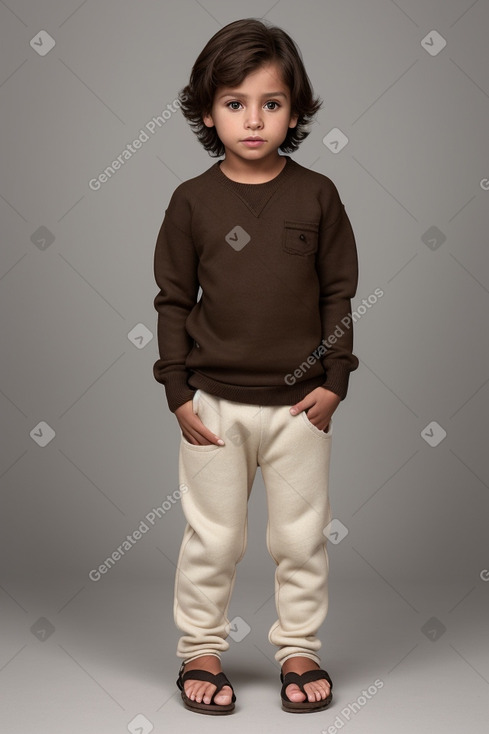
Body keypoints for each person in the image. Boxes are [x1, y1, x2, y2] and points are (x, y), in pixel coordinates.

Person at [153, 17, 359, 715]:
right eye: (234, 103)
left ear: (294, 111)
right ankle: (200, 651)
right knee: (215, 537)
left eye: (270, 103)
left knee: (299, 536)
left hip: (302, 404)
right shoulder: (192, 202)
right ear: (207, 111)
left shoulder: (317, 195)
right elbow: (174, 300)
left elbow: (338, 293)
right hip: (213, 404)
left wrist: (335, 380)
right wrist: (177, 390)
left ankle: (298, 647)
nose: (252, 119)